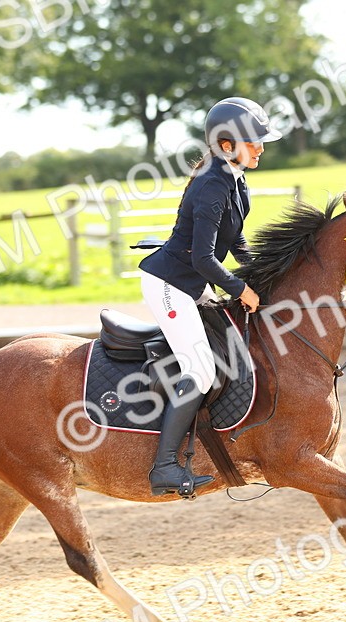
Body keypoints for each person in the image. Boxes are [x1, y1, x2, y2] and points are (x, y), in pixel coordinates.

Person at [138, 97, 279, 496]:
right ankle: (164, 467)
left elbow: (235, 242)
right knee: (200, 369)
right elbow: (202, 258)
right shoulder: (211, 185)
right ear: (228, 145)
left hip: (192, 283)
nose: (262, 149)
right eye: (255, 142)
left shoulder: (236, 178)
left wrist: (259, 278)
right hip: (170, 286)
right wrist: (241, 289)